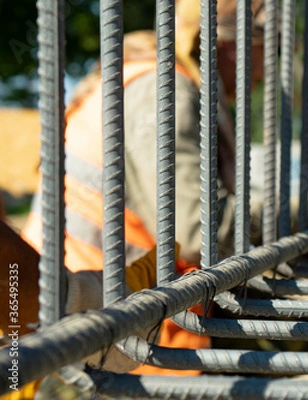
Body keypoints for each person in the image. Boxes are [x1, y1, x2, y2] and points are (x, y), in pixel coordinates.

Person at [18, 0, 266, 377]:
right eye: (278, 49)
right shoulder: (162, 89)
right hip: (91, 321)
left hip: (94, 307)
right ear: (236, 45)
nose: (272, 72)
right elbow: (200, 230)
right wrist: (304, 212)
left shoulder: (155, 79)